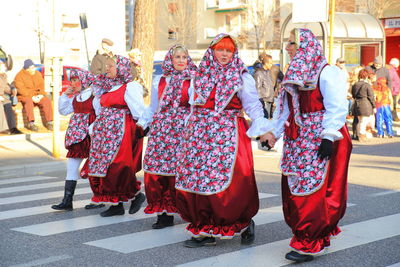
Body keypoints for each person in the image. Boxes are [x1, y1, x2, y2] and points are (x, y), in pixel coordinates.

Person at [261, 28, 352, 262]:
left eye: (292, 43)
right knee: (296, 185)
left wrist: (328, 137)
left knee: (315, 189)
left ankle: (310, 239)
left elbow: (337, 106)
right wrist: (274, 133)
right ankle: (309, 234)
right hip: (298, 138)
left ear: (305, 46)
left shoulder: (327, 71)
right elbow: (287, 111)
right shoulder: (294, 72)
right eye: (289, 44)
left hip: (320, 136)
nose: (288, 48)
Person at [175, 34, 270, 248]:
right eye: (220, 49)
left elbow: (254, 106)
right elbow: (192, 106)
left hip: (227, 132)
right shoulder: (199, 76)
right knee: (199, 179)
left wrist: (262, 129)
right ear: (212, 51)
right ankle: (205, 226)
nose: (225, 54)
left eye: (229, 50)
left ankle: (242, 222)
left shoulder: (241, 76)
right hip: (199, 134)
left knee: (228, 182)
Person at [137, 44, 197, 229]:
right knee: (157, 171)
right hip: (161, 130)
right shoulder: (160, 80)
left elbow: (195, 106)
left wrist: (190, 125)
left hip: (183, 130)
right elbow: (154, 106)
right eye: (176, 57)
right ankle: (164, 213)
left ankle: (187, 210)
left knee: (179, 172)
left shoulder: (194, 79)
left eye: (184, 57)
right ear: (170, 59)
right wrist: (143, 123)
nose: (180, 60)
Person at [87, 55, 146, 217]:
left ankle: (135, 194)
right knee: (103, 166)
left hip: (120, 129)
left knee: (117, 166)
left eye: (111, 66)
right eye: (107, 66)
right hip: (104, 131)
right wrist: (95, 127)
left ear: (121, 68)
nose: (107, 69)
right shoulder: (106, 86)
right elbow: (100, 110)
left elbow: (138, 111)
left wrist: (139, 129)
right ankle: (115, 204)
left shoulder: (130, 87)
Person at [51, 69, 105, 211]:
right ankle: (67, 200)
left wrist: (92, 128)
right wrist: (65, 95)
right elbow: (63, 111)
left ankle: (98, 198)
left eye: (77, 80)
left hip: (91, 135)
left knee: (95, 167)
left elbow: (101, 114)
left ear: (85, 81)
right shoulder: (76, 97)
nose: (74, 83)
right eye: (72, 80)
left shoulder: (94, 96)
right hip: (76, 136)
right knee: (71, 167)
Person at [14, 59, 53, 131]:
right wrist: (32, 97)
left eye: (34, 67)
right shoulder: (19, 76)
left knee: (46, 100)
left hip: (37, 95)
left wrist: (41, 95)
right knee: (28, 101)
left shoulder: (37, 73)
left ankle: (49, 122)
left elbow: (42, 85)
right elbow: (21, 90)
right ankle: (31, 123)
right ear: (27, 69)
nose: (34, 69)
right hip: (24, 96)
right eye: (32, 68)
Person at [253, 54, 283, 119]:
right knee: (265, 119)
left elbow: (270, 85)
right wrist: (260, 102)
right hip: (264, 100)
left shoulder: (267, 72)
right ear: (266, 63)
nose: (272, 65)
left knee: (269, 119)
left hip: (270, 98)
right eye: (270, 63)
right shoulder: (259, 73)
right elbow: (257, 88)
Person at [351, 69, 376, 142]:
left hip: (357, 103)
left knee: (359, 120)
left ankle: (359, 134)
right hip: (365, 104)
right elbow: (371, 97)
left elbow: (353, 95)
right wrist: (374, 106)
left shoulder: (355, 84)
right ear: (366, 76)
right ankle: (362, 135)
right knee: (364, 121)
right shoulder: (367, 85)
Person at [0, 61, 22, 134]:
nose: (5, 68)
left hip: (2, 97)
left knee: (8, 104)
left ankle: (13, 128)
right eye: (3, 66)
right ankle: (2, 128)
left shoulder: (3, 76)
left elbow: (6, 87)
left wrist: (13, 90)